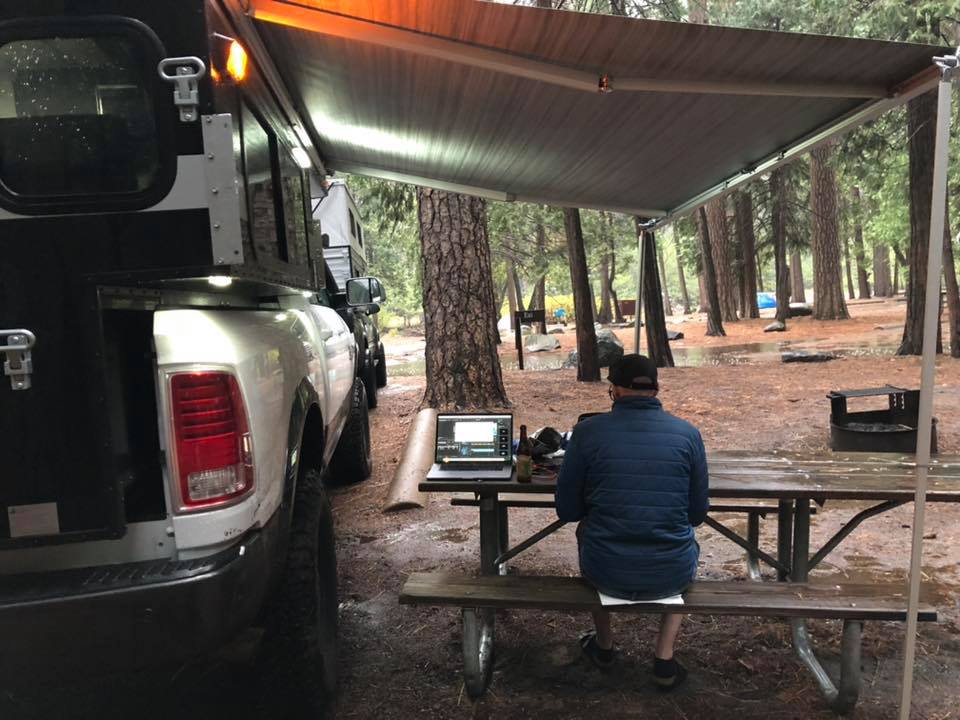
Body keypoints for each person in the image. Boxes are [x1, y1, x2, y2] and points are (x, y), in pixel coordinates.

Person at [555, 354, 709, 690]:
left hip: (605, 569)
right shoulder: (688, 435)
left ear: (615, 391)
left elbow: (567, 512)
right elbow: (697, 515)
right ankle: (664, 659)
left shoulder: (587, 433)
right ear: (656, 389)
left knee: (592, 533)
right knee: (682, 537)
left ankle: (604, 646)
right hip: (671, 571)